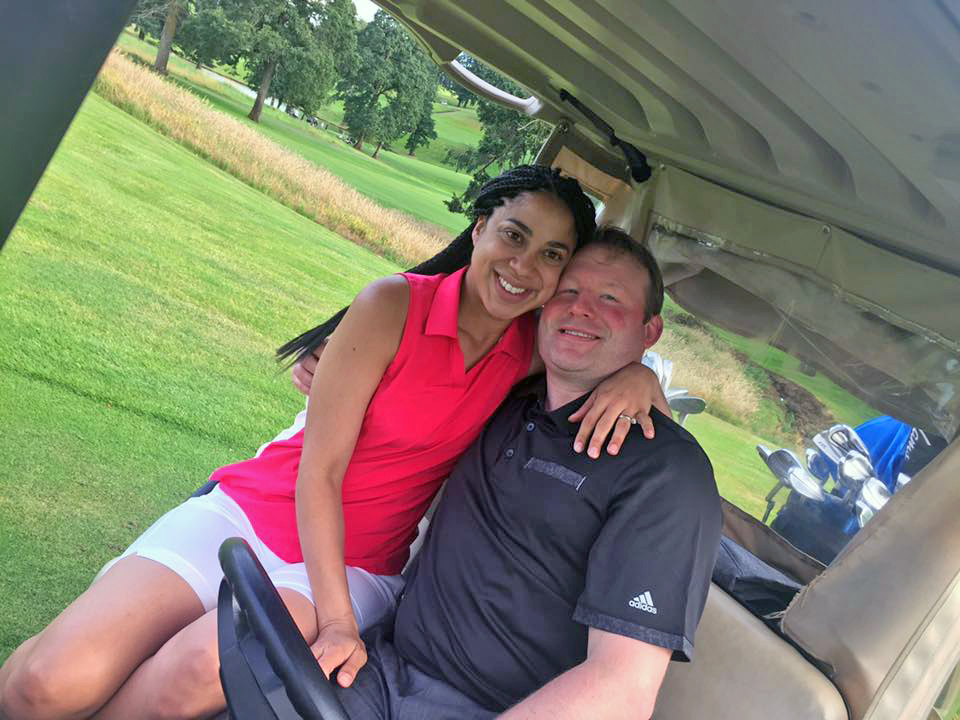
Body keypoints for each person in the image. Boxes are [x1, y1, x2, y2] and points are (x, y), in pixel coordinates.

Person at [0, 167, 668, 720]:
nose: (524, 266)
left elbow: (620, 362)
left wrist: (642, 374)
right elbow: (319, 472)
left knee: (195, 671)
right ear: (479, 229)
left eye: (551, 255)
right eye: (514, 236)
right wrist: (339, 628)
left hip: (357, 564)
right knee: (49, 683)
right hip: (255, 509)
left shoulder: (531, 350)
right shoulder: (390, 307)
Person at [329, 227, 723, 719]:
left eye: (610, 298)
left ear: (650, 332)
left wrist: (640, 376)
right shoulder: (506, 395)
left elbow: (622, 688)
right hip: (374, 667)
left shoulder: (667, 475)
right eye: (569, 291)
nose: (581, 308)